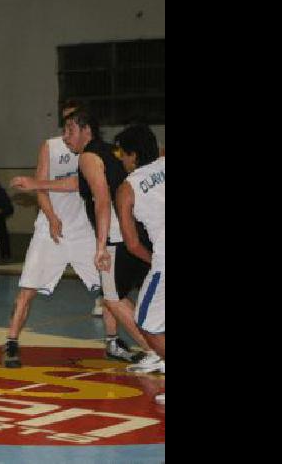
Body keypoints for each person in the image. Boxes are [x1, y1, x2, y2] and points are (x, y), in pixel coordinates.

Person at [10, 109, 157, 369]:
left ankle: (154, 351)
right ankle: (140, 346)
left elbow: (101, 200)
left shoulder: (88, 155)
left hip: (117, 235)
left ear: (86, 130)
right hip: (141, 228)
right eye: (64, 130)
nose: (66, 137)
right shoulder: (108, 151)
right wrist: (36, 185)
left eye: (71, 130)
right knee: (138, 293)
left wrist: (100, 246)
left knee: (113, 298)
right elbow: (77, 184)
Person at [0, 103, 107, 368]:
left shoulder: (93, 151)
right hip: (51, 229)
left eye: (73, 118)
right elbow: (40, 186)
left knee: (110, 290)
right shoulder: (51, 146)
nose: (68, 122)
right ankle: (11, 342)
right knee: (27, 290)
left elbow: (85, 186)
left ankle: (114, 340)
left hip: (83, 230)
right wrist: (51, 217)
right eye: (66, 119)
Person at [113, 124, 165, 396]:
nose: (120, 158)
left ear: (133, 155)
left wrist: (156, 259)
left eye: (122, 153)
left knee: (147, 324)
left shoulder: (127, 188)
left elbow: (132, 243)